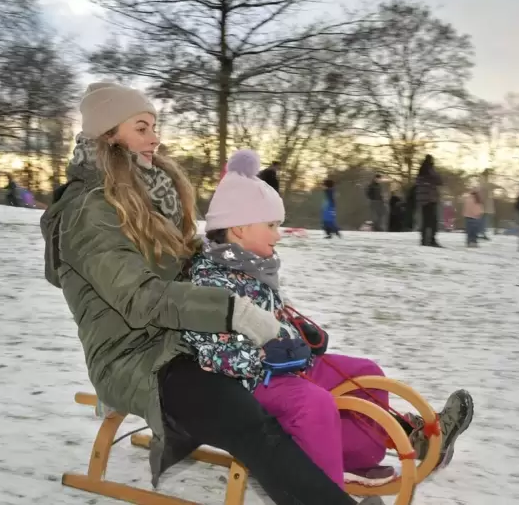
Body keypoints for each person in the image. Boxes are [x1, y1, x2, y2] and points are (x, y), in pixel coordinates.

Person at [40, 82, 374, 505]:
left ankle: (351, 461)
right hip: (136, 358)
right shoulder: (87, 212)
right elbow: (141, 298)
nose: (154, 138)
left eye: (154, 126)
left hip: (183, 339)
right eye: (141, 128)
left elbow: (189, 262)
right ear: (109, 136)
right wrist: (234, 311)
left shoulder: (152, 193)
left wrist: (245, 274)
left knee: (286, 382)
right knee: (246, 418)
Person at [185, 150, 475, 489]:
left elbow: (275, 316)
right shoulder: (212, 281)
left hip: (285, 369)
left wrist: (299, 332)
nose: (278, 235)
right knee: (314, 403)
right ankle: (323, 491)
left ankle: (358, 456)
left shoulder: (256, 267)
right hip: (247, 385)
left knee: (365, 372)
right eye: (271, 226)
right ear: (239, 228)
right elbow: (214, 353)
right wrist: (263, 356)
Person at [415, 155, 442, 247]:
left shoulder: (420, 172)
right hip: (430, 199)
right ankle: (431, 240)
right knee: (433, 221)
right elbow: (439, 181)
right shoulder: (430, 171)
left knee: (425, 221)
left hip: (422, 200)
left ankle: (424, 240)